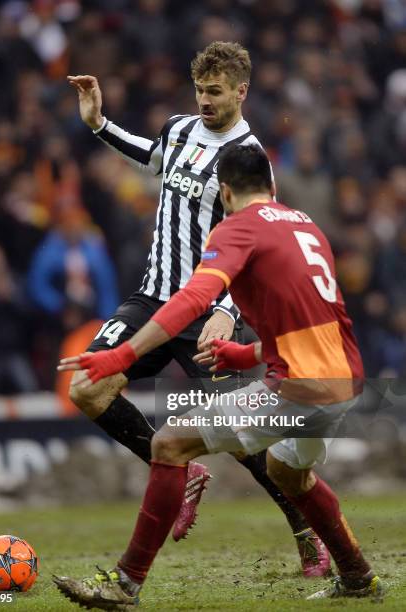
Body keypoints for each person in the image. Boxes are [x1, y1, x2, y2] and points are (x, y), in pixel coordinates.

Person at [54, 144, 382, 607]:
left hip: (300, 388)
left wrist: (121, 354)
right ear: (274, 186)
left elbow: (192, 300)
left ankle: (123, 584)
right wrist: (244, 354)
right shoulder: (305, 224)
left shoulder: (236, 228)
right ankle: (357, 577)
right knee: (288, 473)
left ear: (224, 193)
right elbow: (311, 326)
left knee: (169, 444)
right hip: (344, 380)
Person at [66, 41, 328, 567]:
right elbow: (150, 156)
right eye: (199, 90)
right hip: (152, 300)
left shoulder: (249, 160)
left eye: (215, 92)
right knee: (87, 388)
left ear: (241, 92)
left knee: (247, 442)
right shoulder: (181, 128)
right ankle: (185, 474)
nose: (205, 100)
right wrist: (99, 123)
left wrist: (227, 313)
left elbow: (259, 246)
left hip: (206, 311)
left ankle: (310, 536)